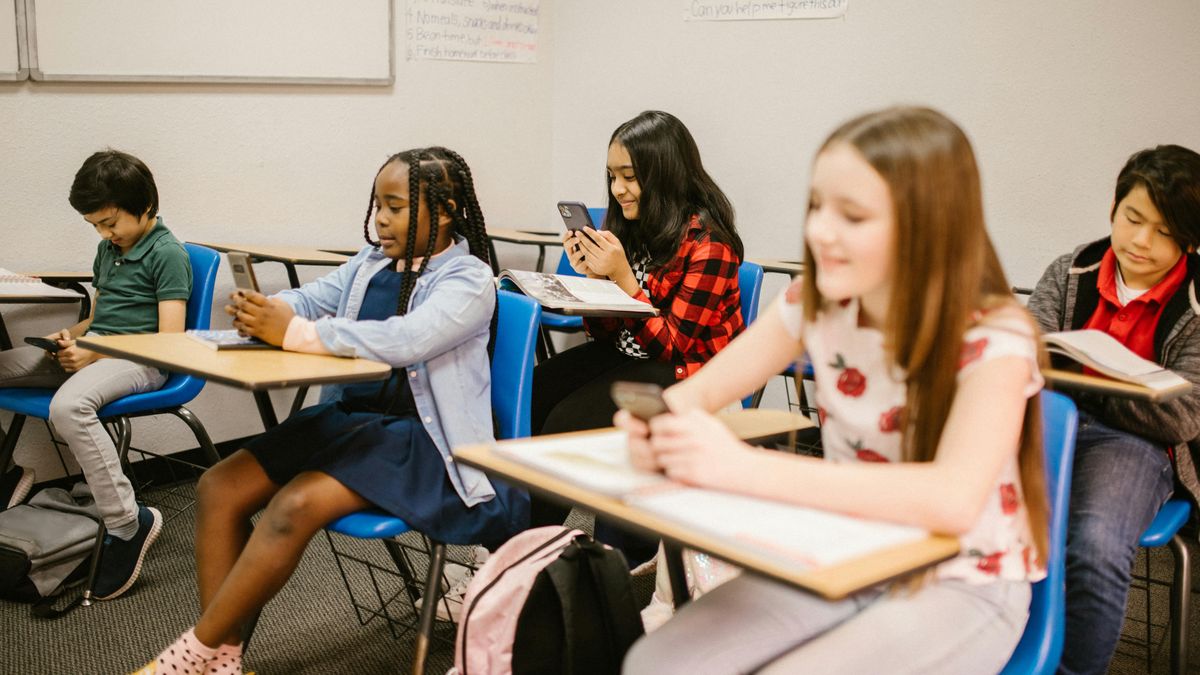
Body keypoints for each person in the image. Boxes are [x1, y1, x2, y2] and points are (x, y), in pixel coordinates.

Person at [619, 107, 1049, 674]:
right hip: (848, 553)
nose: (821, 231)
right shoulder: (813, 302)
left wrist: (741, 469)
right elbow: (695, 393)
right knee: (658, 662)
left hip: (965, 578)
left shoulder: (995, 336)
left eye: (853, 215)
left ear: (927, 224)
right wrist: (656, 425)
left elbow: (951, 499)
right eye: (818, 206)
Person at [133, 147, 527, 675]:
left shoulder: (469, 279)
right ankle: (219, 660)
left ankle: (191, 658)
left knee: (295, 504)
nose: (380, 220)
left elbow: (407, 338)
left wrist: (295, 333)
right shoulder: (369, 265)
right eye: (377, 206)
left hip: (425, 445)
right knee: (219, 486)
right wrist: (271, 312)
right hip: (355, 425)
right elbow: (313, 298)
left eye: (396, 207)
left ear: (448, 210)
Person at [530, 110, 745, 565]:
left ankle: (526, 558)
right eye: (612, 176)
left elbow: (675, 346)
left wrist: (625, 280)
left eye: (630, 176)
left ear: (664, 175)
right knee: (536, 391)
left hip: (690, 374)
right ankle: (518, 544)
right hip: (635, 357)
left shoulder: (710, 244)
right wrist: (594, 281)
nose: (617, 190)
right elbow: (610, 333)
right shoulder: (633, 227)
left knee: (564, 422)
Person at [1027, 144, 1200, 675]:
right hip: (1050, 423)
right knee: (981, 514)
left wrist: (1091, 386)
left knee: (1095, 546)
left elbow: (1182, 415)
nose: (1142, 241)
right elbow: (1024, 358)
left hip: (1139, 445)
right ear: (1114, 208)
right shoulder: (1073, 270)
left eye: (1166, 231)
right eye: (1133, 218)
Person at [0, 149, 191, 599]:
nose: (105, 234)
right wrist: (70, 336)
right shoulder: (108, 249)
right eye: (96, 227)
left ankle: (128, 522)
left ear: (144, 206)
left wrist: (95, 354)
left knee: (70, 406)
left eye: (110, 223)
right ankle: (7, 474)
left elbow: (170, 341)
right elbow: (99, 319)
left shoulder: (168, 254)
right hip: (98, 351)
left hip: (144, 362)